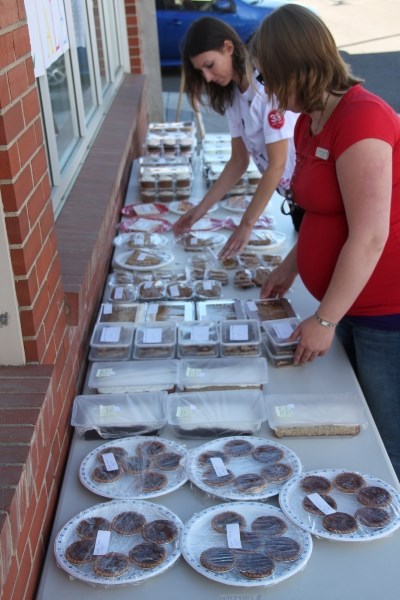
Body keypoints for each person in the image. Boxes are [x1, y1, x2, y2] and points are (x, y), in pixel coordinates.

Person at [253, 4, 400, 478]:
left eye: (270, 77)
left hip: (383, 313)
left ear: (300, 66)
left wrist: (323, 317)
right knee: (353, 425)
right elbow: (319, 213)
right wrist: (290, 266)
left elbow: (371, 235)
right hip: (345, 307)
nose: (268, 90)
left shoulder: (363, 120)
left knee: (386, 436)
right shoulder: (305, 121)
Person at [172, 16, 298, 258]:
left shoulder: (265, 89)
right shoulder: (232, 94)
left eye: (209, 65)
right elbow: (238, 161)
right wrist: (200, 210)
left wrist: (247, 224)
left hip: (308, 194)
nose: (207, 77)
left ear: (228, 48)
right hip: (291, 196)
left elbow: (277, 164)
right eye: (201, 71)